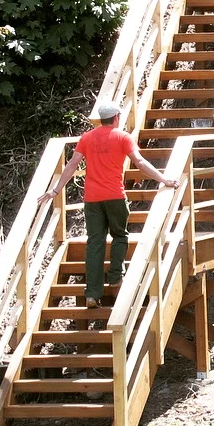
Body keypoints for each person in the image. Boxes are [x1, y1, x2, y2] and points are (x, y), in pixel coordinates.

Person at [37, 101, 179, 308]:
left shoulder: (87, 138)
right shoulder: (122, 137)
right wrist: (164, 179)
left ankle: (92, 294)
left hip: (92, 199)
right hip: (115, 196)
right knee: (120, 235)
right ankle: (115, 277)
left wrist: (55, 190)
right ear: (116, 118)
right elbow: (139, 162)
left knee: (95, 243)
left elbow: (72, 164)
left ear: (101, 119)